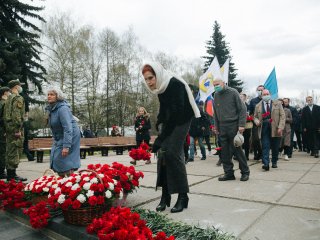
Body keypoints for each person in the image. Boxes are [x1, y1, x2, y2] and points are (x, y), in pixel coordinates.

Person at [141, 61, 200, 213]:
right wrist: (159, 122)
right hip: (171, 119)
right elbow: (164, 109)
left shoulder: (174, 84)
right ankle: (165, 195)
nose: (149, 82)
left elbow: (176, 113)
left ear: (157, 74)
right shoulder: (161, 86)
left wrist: (161, 138)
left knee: (173, 153)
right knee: (162, 154)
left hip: (183, 119)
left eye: (150, 78)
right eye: (146, 79)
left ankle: (182, 196)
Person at [213, 78, 250, 181]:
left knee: (237, 151)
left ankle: (245, 172)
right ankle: (229, 173)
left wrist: (242, 124)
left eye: (217, 84)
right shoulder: (216, 95)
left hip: (233, 126)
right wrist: (216, 126)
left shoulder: (233, 92)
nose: (216, 86)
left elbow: (242, 109)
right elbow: (215, 112)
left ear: (223, 83)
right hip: (222, 127)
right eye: (214, 85)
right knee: (224, 152)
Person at [46, 87, 81, 177]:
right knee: (56, 158)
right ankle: (63, 180)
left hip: (70, 134)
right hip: (60, 136)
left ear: (58, 97)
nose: (49, 96)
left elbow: (68, 128)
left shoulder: (62, 109)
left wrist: (66, 146)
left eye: (52, 95)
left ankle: (70, 180)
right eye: (48, 94)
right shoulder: (52, 109)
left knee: (63, 158)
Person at [254, 89, 285, 170]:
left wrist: (280, 127)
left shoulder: (277, 103)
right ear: (261, 96)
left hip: (275, 128)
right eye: (264, 94)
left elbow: (282, 116)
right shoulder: (258, 106)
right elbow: (255, 117)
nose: (266, 95)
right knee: (265, 146)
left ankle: (274, 161)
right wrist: (256, 121)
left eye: (267, 94)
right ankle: (266, 164)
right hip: (264, 127)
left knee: (275, 146)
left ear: (270, 94)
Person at [3, 80, 27, 181]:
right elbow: (17, 115)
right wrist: (18, 129)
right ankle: (12, 176)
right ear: (16, 87)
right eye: (19, 86)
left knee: (10, 151)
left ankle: (11, 174)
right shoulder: (17, 98)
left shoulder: (8, 98)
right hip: (15, 129)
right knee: (15, 151)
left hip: (9, 128)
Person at [249, 85, 265, 160]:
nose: (260, 91)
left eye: (262, 90)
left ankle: (262, 154)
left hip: (265, 123)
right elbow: (250, 113)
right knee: (256, 140)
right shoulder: (253, 101)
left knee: (264, 140)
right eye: (259, 90)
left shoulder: (267, 100)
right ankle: (257, 153)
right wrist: (255, 120)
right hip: (256, 124)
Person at [0, 86, 11, 179]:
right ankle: (1, 172)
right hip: (2, 131)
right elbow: (4, 119)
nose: (9, 93)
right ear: (5, 93)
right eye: (8, 92)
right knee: (3, 151)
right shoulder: (4, 103)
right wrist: (6, 130)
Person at [241, 93, 252, 160]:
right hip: (238, 125)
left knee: (246, 141)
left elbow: (251, 115)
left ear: (245, 98)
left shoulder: (248, 106)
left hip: (247, 126)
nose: (240, 98)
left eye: (241, 97)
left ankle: (246, 155)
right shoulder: (236, 106)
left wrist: (249, 117)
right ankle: (237, 155)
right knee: (238, 140)